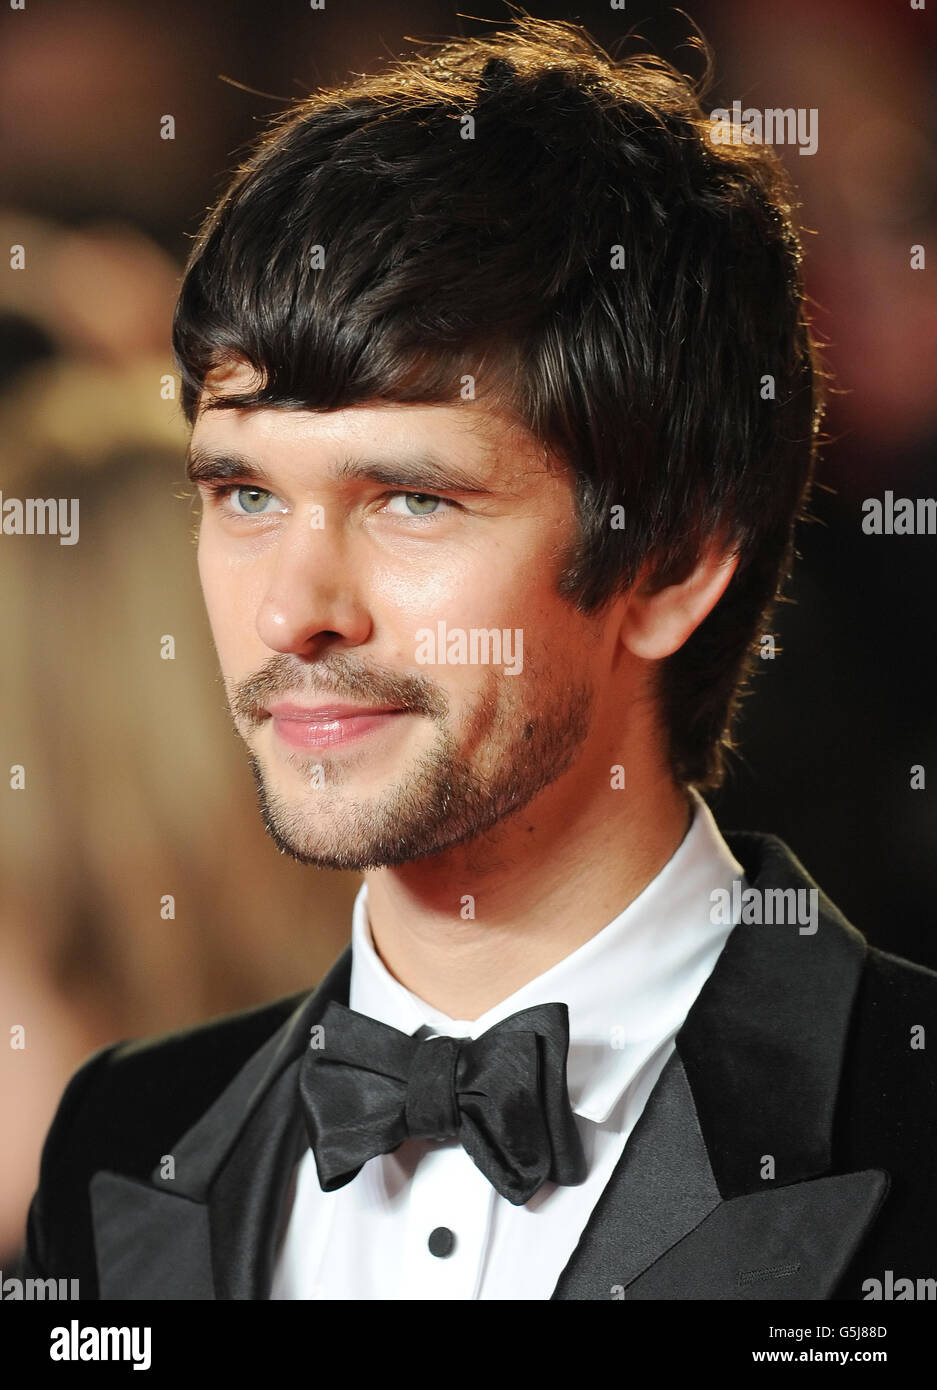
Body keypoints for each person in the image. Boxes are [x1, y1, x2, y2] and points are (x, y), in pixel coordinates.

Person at [21, 16, 937, 1301]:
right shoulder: (119, 1148)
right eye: (243, 495)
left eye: (412, 501)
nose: (293, 612)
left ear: (669, 565)